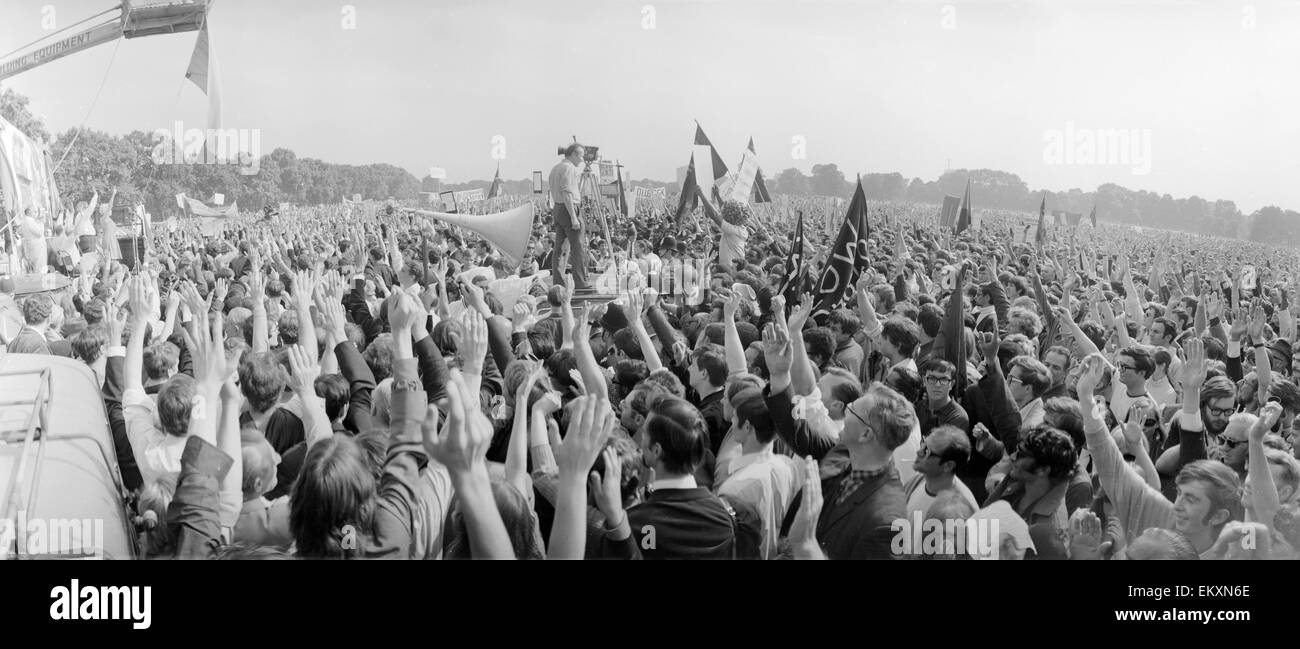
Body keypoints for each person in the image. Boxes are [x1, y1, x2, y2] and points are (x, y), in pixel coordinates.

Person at [548, 144, 589, 289]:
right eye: (581, 155)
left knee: (559, 248)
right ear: (573, 155)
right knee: (577, 247)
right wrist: (573, 216)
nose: (582, 159)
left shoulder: (555, 168)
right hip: (569, 208)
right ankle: (580, 282)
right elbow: (566, 192)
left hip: (558, 208)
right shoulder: (569, 168)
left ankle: (558, 282)